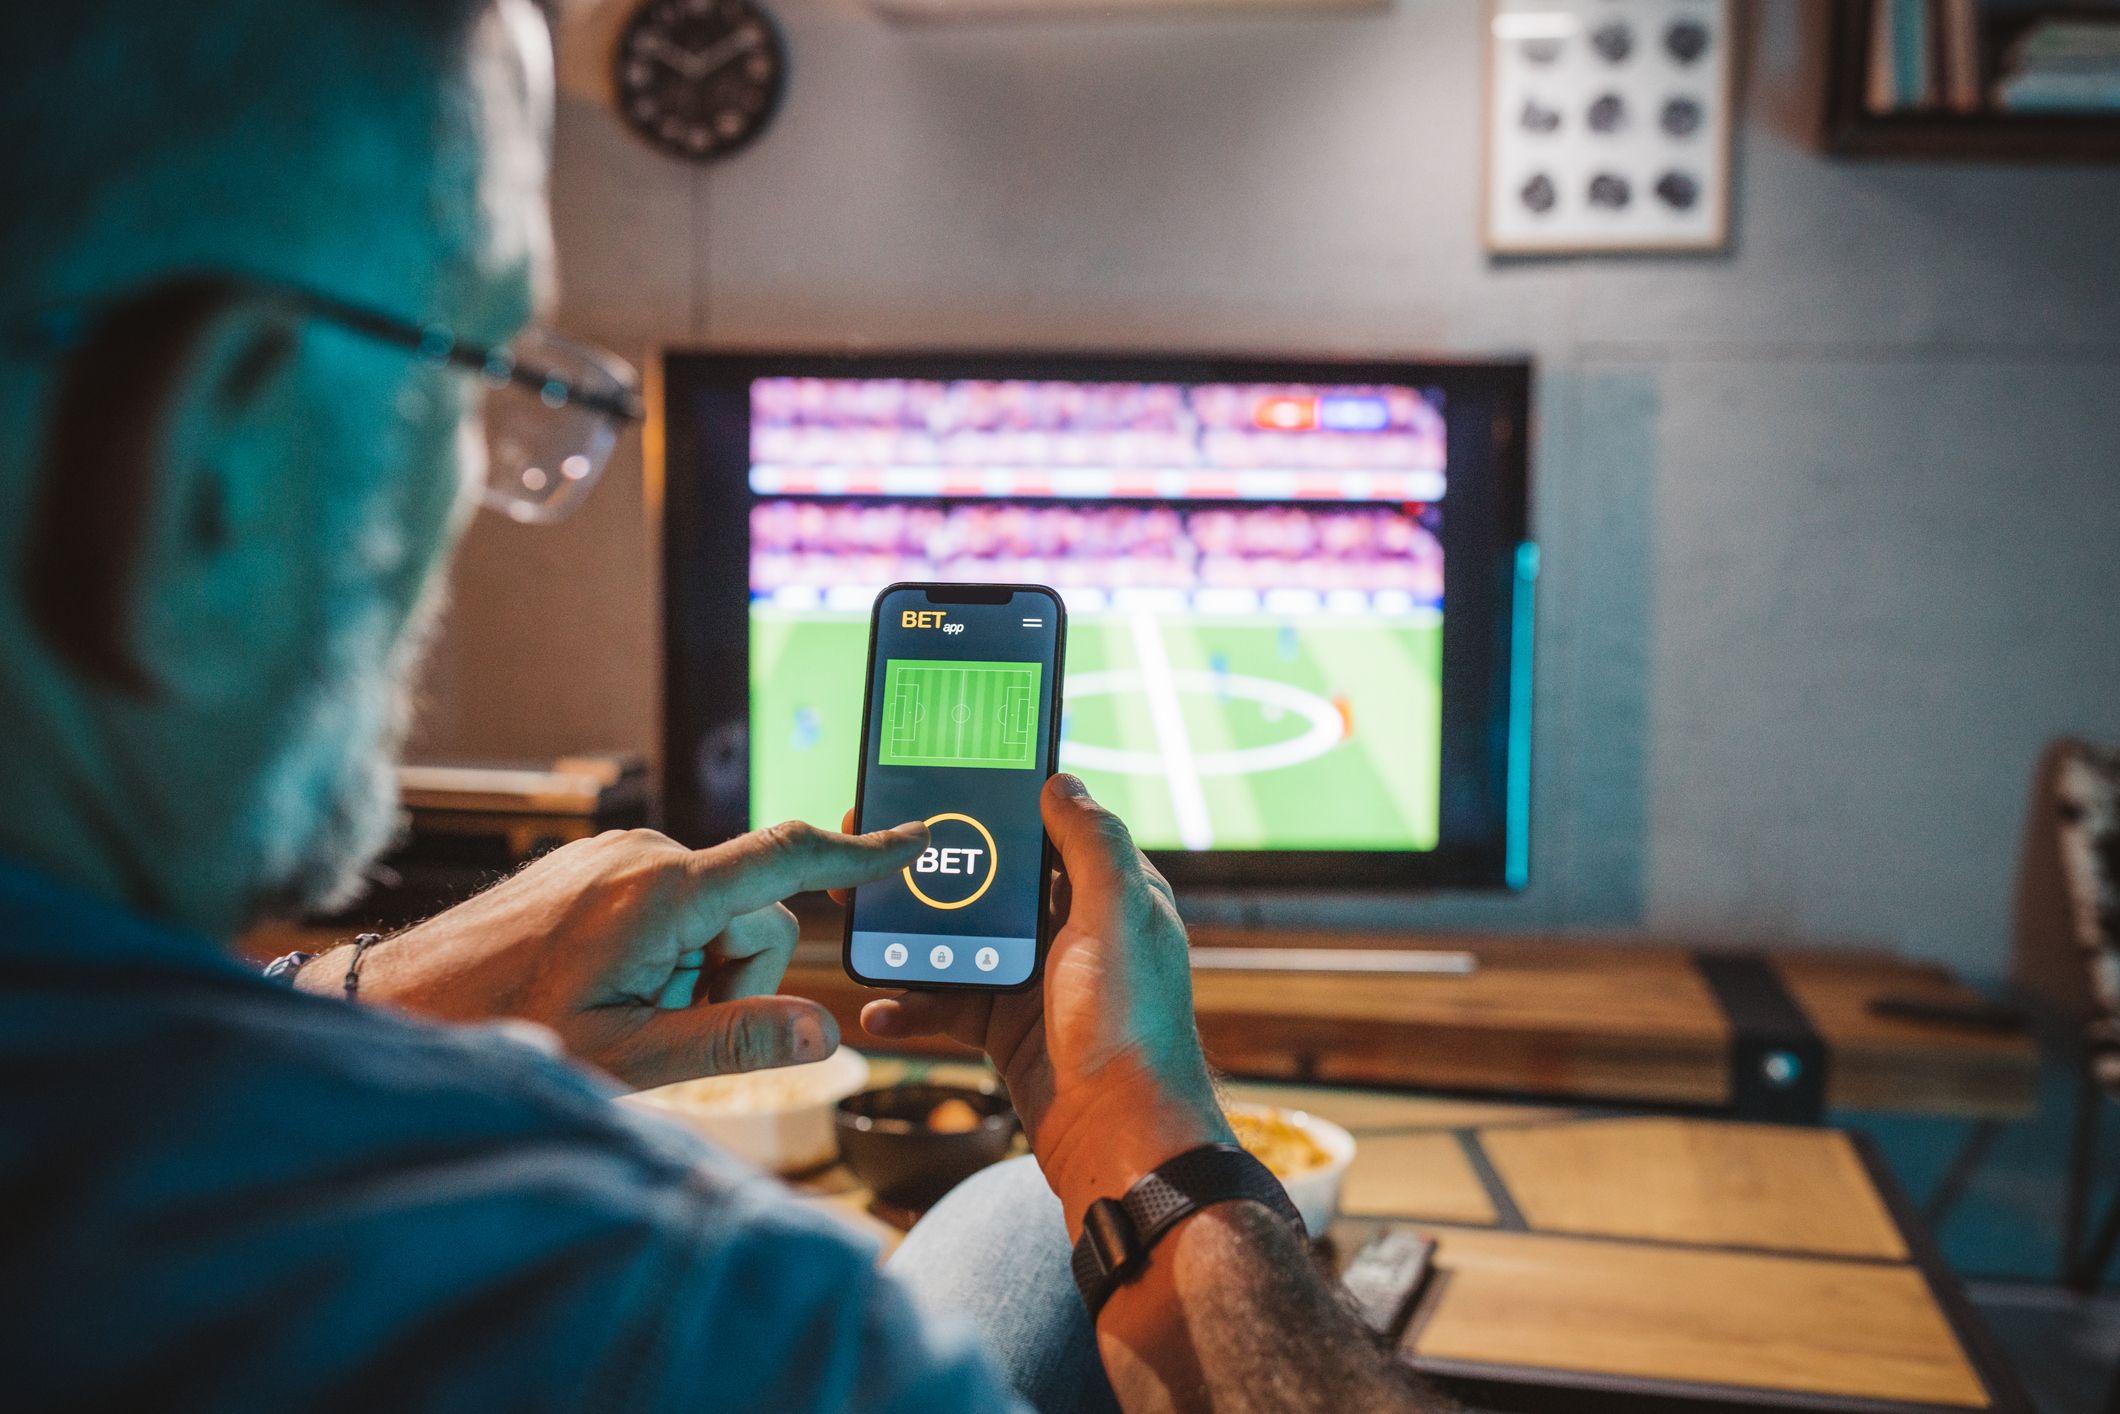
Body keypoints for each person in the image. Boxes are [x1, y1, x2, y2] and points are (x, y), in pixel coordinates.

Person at [0, 2, 1453, 1409]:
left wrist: (370, 998)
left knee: (1013, 1223)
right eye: (462, 376)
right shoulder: (687, 1322)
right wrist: (1147, 1136)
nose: (480, 492)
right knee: (1036, 1206)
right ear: (219, 469)